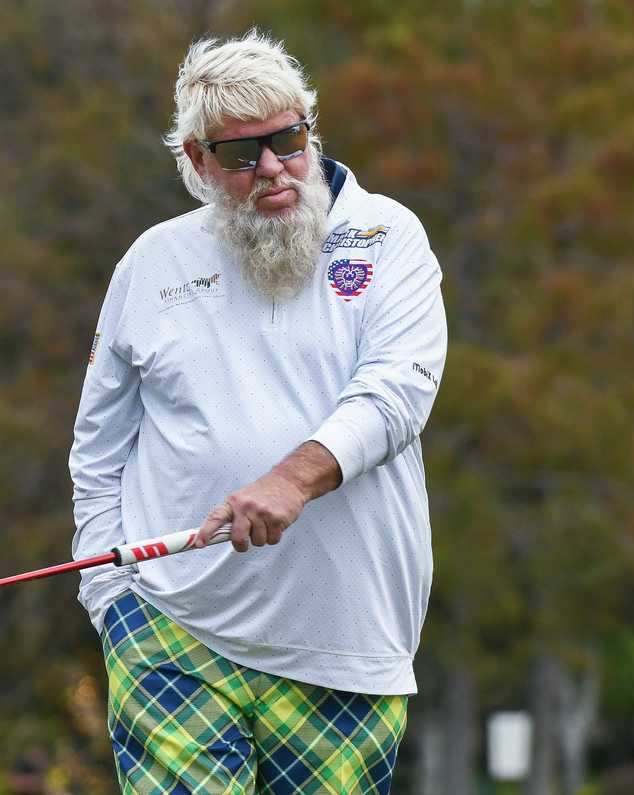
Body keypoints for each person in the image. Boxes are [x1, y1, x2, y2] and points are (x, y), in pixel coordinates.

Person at [70, 30, 447, 794]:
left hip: (345, 642)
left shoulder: (389, 239)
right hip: (170, 628)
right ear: (198, 162)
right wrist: (111, 601)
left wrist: (292, 479)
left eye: (287, 139)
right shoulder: (150, 263)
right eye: (242, 155)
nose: (273, 169)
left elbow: (397, 391)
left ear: (310, 127)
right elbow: (98, 450)